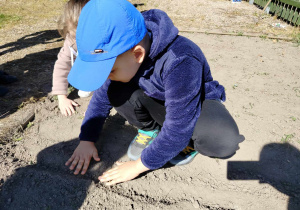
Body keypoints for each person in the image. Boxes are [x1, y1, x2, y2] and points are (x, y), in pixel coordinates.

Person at [65, 0, 245, 186]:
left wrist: (138, 166)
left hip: (192, 105)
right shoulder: (123, 54)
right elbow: (101, 98)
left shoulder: (180, 60)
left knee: (223, 141)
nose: (106, 77)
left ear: (137, 54)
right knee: (114, 90)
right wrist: (87, 139)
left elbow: (179, 124)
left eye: (110, 71)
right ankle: (151, 129)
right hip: (156, 101)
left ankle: (188, 144)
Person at [51, 0, 91, 116]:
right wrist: (61, 97)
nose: (77, 39)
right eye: (74, 35)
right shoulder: (72, 40)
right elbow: (62, 66)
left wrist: (95, 106)